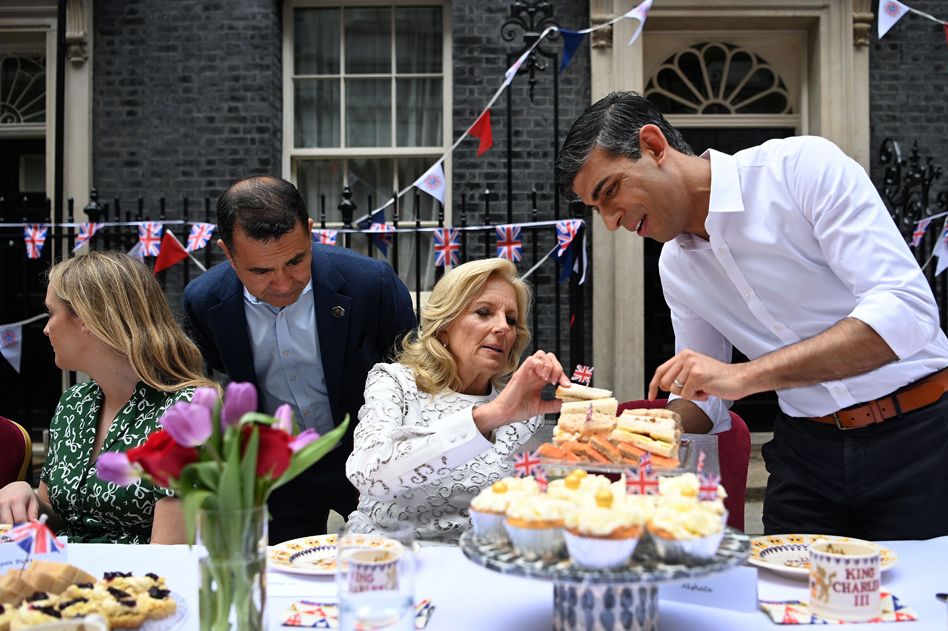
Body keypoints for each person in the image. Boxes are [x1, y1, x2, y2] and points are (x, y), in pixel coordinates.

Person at [555, 91, 948, 541]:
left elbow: (905, 311)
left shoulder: (801, 169)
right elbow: (703, 396)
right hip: (807, 454)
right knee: (779, 598)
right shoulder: (675, 266)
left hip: (923, 435)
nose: (611, 223)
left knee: (924, 605)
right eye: (596, 209)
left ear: (654, 146)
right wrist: (636, 436)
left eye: (609, 192)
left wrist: (744, 376)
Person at [183, 175, 416, 544]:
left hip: (367, 458)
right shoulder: (204, 302)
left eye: (295, 261)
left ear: (309, 232)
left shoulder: (370, 284)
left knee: (386, 561)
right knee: (279, 574)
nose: (282, 283)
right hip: (276, 469)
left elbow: (413, 374)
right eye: (260, 271)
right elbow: (219, 372)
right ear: (228, 253)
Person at [345, 258, 570, 543]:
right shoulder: (394, 383)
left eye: (511, 320)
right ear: (444, 326)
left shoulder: (523, 412)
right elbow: (369, 476)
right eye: (484, 312)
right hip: (386, 561)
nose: (502, 328)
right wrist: (487, 417)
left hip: (476, 568)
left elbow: (529, 507)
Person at [0, 251, 216, 543]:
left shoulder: (186, 410)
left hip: (133, 582)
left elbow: (167, 556)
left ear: (89, 319)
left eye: (52, 313)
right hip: (57, 575)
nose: (47, 329)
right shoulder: (74, 403)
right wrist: (26, 496)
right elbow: (59, 513)